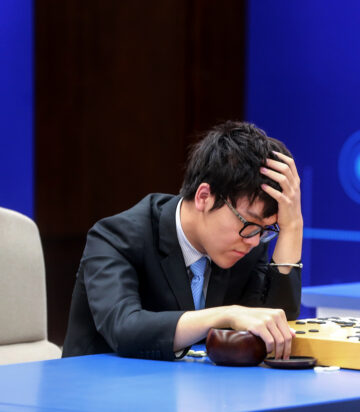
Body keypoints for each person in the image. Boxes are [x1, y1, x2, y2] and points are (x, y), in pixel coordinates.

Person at [62, 121, 302, 361]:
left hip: (190, 383)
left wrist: (292, 228)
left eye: (265, 229)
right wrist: (226, 315)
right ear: (204, 197)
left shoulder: (247, 242)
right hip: (103, 381)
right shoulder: (116, 237)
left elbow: (273, 330)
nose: (255, 241)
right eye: (249, 223)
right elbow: (124, 328)